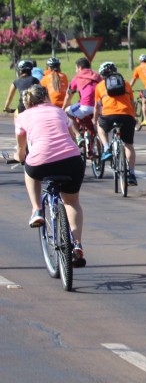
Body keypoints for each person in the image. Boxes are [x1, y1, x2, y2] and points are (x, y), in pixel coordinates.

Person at [14, 84, 86, 267]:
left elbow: (21, 150)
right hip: (72, 160)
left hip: (41, 162)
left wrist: (19, 157)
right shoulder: (58, 111)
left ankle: (37, 209)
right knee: (72, 202)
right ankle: (77, 244)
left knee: (29, 171)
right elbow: (71, 136)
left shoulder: (22, 116)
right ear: (47, 97)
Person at [94, 62, 138, 186]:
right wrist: (133, 116)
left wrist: (94, 119)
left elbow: (97, 107)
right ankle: (132, 174)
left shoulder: (100, 86)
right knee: (129, 145)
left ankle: (106, 148)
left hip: (108, 115)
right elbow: (132, 102)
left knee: (100, 126)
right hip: (127, 115)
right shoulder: (126, 84)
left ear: (102, 75)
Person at [62, 57, 102, 141]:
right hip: (100, 106)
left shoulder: (77, 77)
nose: (76, 70)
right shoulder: (97, 76)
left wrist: (63, 108)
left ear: (80, 67)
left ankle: (78, 136)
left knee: (67, 112)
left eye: (76, 68)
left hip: (85, 106)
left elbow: (68, 96)